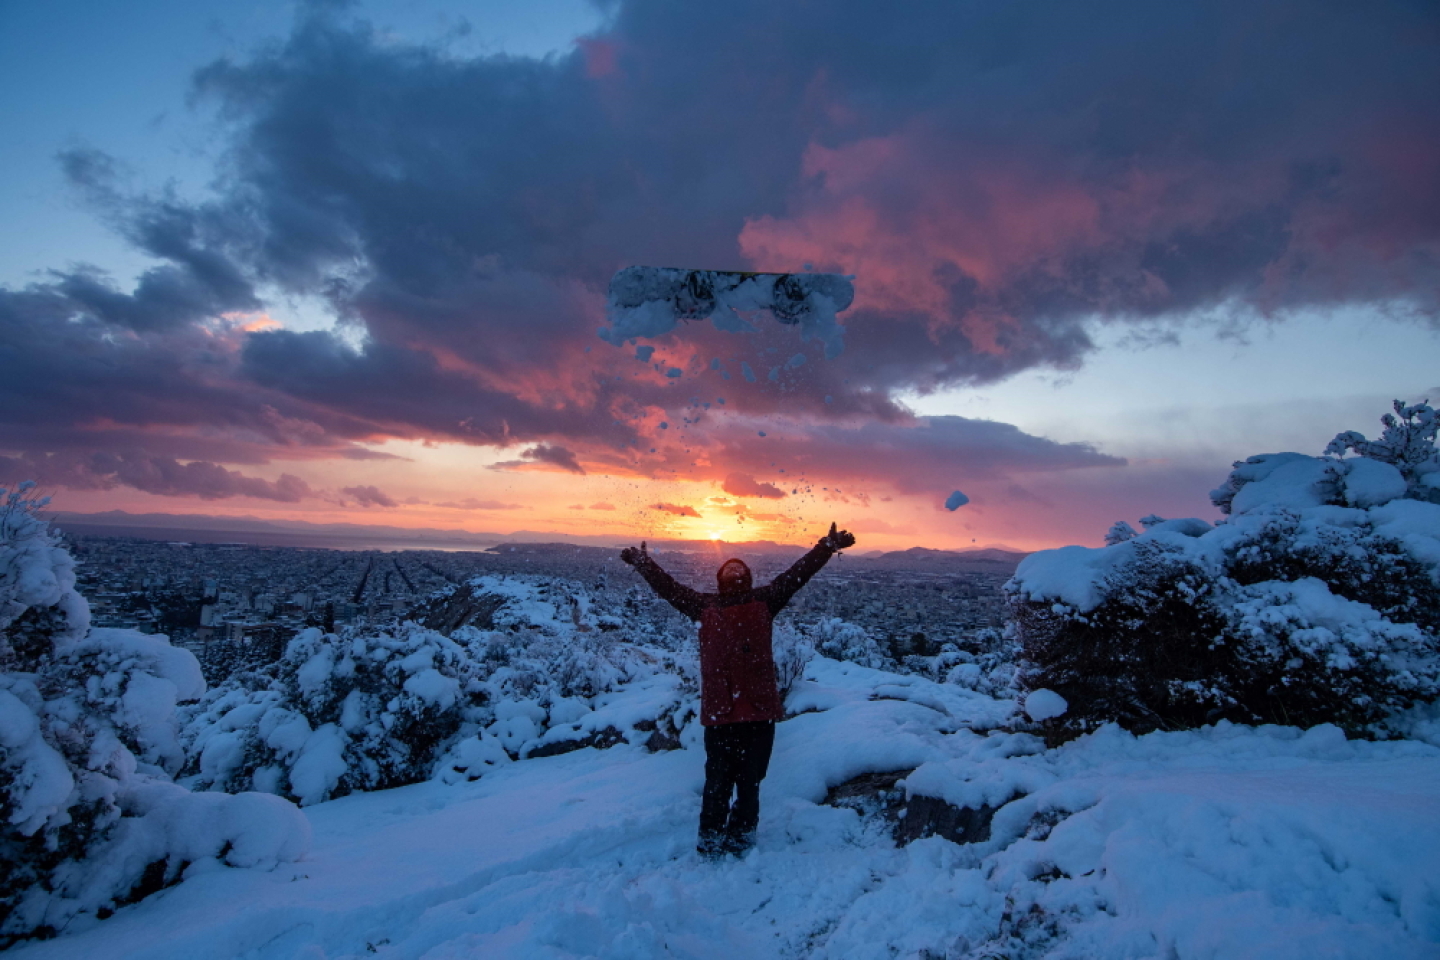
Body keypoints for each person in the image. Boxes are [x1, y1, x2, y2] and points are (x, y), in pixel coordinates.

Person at [620, 522, 857, 858]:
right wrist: (644, 564)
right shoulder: (704, 605)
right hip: (723, 714)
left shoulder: (765, 600)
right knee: (717, 784)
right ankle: (711, 841)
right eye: (728, 567)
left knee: (749, 783)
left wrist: (825, 546)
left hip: (754, 712)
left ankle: (741, 837)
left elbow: (797, 575)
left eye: (739, 567)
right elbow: (668, 588)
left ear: (746, 576)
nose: (733, 569)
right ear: (720, 579)